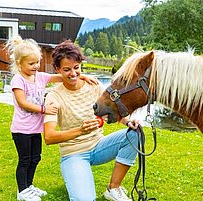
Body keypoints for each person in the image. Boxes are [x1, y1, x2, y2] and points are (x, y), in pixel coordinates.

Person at [43, 40, 139, 201]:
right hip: (73, 154)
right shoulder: (54, 97)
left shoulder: (93, 84)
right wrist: (80, 131)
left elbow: (113, 110)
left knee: (135, 133)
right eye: (66, 70)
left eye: (76, 68)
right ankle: (75, 177)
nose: (73, 74)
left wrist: (128, 121)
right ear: (57, 69)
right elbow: (49, 137)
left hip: (99, 146)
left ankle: (113, 188)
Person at [6, 36, 97, 201]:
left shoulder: (39, 77)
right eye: (31, 64)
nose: (35, 66)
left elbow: (62, 76)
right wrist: (44, 109)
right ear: (19, 64)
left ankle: (29, 186)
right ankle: (22, 191)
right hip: (21, 130)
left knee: (36, 158)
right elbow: (22, 102)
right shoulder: (18, 80)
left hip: (35, 129)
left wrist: (82, 76)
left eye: (37, 62)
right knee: (25, 160)